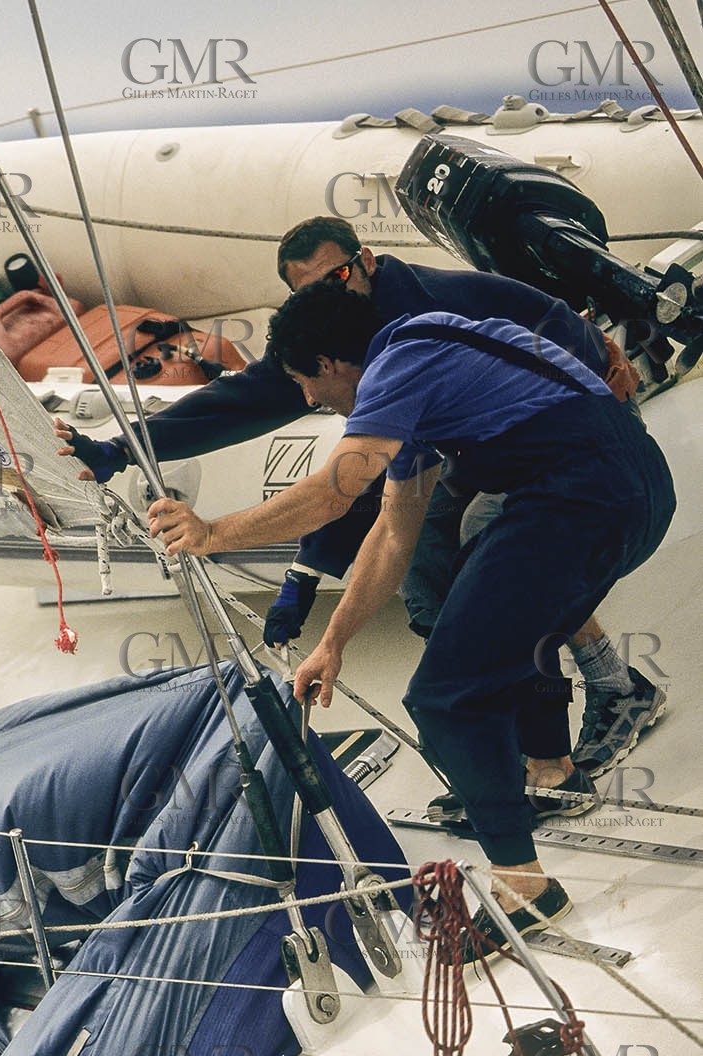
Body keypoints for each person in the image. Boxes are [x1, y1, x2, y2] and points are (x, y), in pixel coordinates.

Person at [144, 283, 676, 961]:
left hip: (579, 498)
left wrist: (212, 533)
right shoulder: (428, 367)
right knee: (513, 635)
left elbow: (333, 494)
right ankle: (552, 771)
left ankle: (523, 885)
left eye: (306, 384)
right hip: (631, 487)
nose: (311, 400)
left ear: (329, 364)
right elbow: (394, 533)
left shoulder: (401, 362)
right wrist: (333, 642)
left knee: (445, 696)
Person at [54, 217, 666, 778]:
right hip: (467, 450)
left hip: (574, 428)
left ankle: (601, 700)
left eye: (339, 276)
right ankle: (498, 722)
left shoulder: (431, 304)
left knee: (502, 559)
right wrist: (121, 448)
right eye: (311, 290)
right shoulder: (323, 342)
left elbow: (543, 317)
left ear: (366, 261)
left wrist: (603, 366)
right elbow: (245, 406)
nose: (333, 292)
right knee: (432, 570)